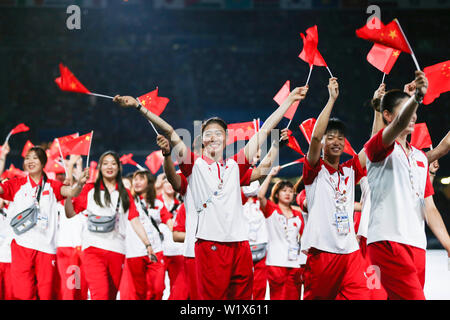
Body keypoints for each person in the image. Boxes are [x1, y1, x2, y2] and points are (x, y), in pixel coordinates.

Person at [113, 85, 308, 300]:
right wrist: (140, 107)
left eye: (219, 133)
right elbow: (169, 131)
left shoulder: (235, 166)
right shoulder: (193, 165)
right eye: (208, 134)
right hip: (210, 245)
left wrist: (289, 101)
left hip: (241, 246)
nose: (214, 137)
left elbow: (263, 133)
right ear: (203, 140)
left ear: (226, 139)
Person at [364, 71, 450, 300]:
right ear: (387, 115)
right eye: (406, 110)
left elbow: (429, 208)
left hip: (417, 245)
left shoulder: (420, 158)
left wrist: (449, 244)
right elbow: (400, 122)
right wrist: (416, 98)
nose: (412, 116)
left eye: (414, 110)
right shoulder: (378, 148)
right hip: (387, 242)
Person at [300, 77, 370, 300]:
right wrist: (331, 100)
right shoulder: (314, 169)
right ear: (323, 144)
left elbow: (373, 148)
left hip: (350, 251)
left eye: (341, 137)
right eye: (331, 137)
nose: (337, 141)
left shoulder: (349, 170)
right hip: (322, 251)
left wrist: (377, 111)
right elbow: (315, 137)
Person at [64, 151, 156, 300]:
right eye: (105, 163)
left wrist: (147, 244)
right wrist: (71, 192)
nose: (109, 166)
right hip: (93, 249)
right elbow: (70, 213)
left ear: (119, 168)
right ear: (100, 167)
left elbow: (134, 220)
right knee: (100, 295)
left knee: (111, 296)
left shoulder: (125, 193)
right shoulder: (89, 189)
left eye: (113, 163)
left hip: (117, 250)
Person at [0, 146, 89, 300]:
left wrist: (79, 183)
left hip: (46, 248)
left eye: (35, 158)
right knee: (23, 294)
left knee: (46, 294)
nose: (30, 161)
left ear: (42, 163)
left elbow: (71, 193)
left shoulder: (53, 186)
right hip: (22, 246)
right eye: (27, 158)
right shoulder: (16, 184)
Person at [258, 165, 305, 300]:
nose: (288, 193)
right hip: (276, 263)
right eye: (284, 190)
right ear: (277, 194)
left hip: (295, 265)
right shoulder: (271, 209)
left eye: (291, 191)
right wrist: (270, 175)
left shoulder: (298, 214)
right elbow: (260, 195)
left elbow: (303, 238)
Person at [121, 170, 166, 300]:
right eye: (135, 179)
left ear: (149, 182)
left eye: (141, 179)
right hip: (135, 252)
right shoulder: (128, 201)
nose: (137, 182)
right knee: (139, 292)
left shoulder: (158, 203)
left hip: (156, 250)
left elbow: (168, 220)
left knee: (158, 289)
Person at [55, 155, 88, 300]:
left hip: (83, 247)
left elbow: (82, 186)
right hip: (67, 247)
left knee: (81, 288)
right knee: (70, 288)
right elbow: (69, 186)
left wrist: (78, 166)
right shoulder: (62, 199)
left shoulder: (84, 198)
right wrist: (69, 167)